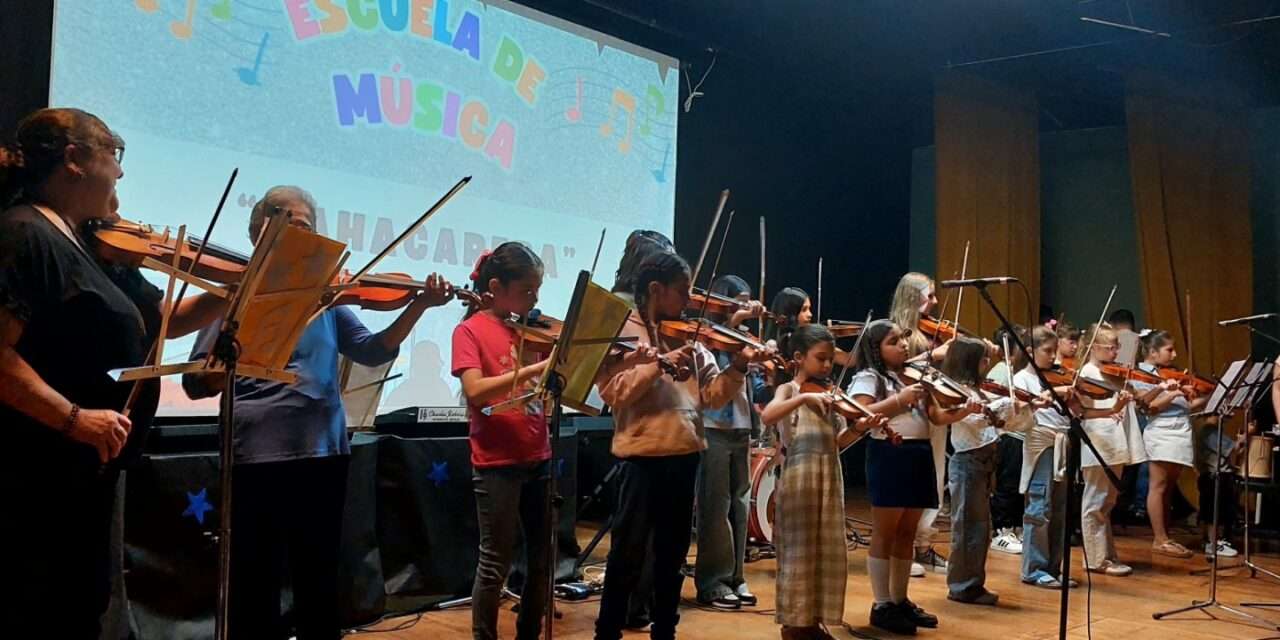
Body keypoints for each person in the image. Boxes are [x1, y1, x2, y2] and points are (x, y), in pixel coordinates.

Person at [183, 186, 453, 639]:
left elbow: (372, 350)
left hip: (324, 451)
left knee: (320, 575)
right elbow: (195, 382)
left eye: (305, 224)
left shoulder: (326, 300)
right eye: (284, 220)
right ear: (258, 232)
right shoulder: (234, 291)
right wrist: (230, 361)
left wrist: (419, 306)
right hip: (256, 456)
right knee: (255, 579)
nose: (297, 230)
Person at [0, 107, 222, 637]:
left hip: (84, 473)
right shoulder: (24, 235)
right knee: (42, 607)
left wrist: (235, 285)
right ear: (74, 160)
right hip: (37, 473)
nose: (119, 173)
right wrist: (75, 418)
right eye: (112, 153)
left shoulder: (85, 244)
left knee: (80, 605)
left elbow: (161, 321)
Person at [592, 251, 771, 640]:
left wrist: (738, 367)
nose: (690, 300)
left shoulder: (691, 337)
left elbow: (712, 396)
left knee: (672, 556)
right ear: (656, 290)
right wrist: (659, 363)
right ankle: (606, 632)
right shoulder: (624, 330)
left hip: (685, 454)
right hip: (640, 458)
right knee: (627, 553)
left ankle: (665, 630)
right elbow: (614, 393)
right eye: (683, 291)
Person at [848, 320, 981, 634]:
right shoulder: (869, 377)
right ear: (876, 349)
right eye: (894, 341)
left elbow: (935, 416)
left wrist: (964, 410)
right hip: (889, 454)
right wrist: (900, 399)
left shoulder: (914, 377)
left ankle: (899, 599)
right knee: (885, 532)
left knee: (908, 532)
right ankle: (881, 604)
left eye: (904, 340)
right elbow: (860, 414)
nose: (903, 346)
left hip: (918, 453)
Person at [452, 241, 554, 640]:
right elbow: (477, 392)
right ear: (495, 286)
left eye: (536, 290)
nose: (535, 299)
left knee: (543, 560)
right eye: (527, 290)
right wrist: (535, 370)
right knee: (495, 563)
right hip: (497, 462)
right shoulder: (469, 330)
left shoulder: (527, 329)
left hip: (538, 452)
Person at [762, 324, 881, 639]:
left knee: (825, 550)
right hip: (800, 476)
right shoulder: (791, 390)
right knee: (799, 551)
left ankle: (813, 621)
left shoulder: (830, 395)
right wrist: (802, 401)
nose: (828, 366)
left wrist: (860, 428)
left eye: (831, 360)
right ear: (799, 358)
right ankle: (794, 625)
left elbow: (838, 442)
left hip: (829, 474)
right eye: (821, 359)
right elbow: (768, 415)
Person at [695, 274, 770, 610]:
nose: (745, 306)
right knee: (716, 507)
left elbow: (753, 386)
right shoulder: (707, 337)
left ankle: (736, 576)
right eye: (737, 300)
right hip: (711, 428)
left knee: (740, 504)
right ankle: (713, 581)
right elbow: (715, 375)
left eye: (747, 300)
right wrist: (736, 321)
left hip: (741, 429)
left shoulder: (742, 338)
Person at [942, 337, 1036, 605]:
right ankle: (961, 585)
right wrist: (1006, 405)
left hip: (985, 462)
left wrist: (1025, 407)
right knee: (966, 527)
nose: (988, 363)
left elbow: (1003, 424)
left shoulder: (982, 390)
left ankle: (973, 583)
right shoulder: (958, 391)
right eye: (984, 359)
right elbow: (974, 420)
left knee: (981, 529)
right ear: (970, 361)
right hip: (967, 462)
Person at [1074, 323, 1153, 576]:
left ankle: (1106, 554)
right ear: (1094, 347)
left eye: (1117, 347)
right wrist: (1112, 408)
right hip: (1099, 440)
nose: (1115, 352)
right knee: (1095, 501)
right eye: (1110, 347)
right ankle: (1095, 559)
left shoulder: (1113, 373)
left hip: (1114, 442)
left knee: (1107, 501)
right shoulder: (1088, 373)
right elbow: (1082, 411)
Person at [888, 272, 949, 576]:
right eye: (931, 296)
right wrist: (932, 354)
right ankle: (904, 548)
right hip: (907, 415)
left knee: (934, 480)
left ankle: (923, 545)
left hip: (934, 410)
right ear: (913, 298)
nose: (935, 302)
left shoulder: (935, 331)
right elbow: (895, 368)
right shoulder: (897, 333)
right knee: (909, 482)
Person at [1013, 326, 1077, 589]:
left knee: (1061, 509)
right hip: (1041, 442)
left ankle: (1053, 566)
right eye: (1047, 351)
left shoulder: (1057, 376)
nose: (1054, 357)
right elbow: (1020, 415)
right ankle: (1034, 568)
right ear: (1030, 352)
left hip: (1063, 441)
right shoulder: (1021, 379)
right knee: (1040, 506)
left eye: (1054, 350)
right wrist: (1051, 394)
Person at [1135, 330, 1208, 558]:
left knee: (1169, 487)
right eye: (1169, 350)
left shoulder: (1169, 375)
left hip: (1179, 430)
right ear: (1153, 352)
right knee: (1158, 485)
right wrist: (1170, 390)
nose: (1174, 354)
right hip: (1161, 432)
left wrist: (1210, 395)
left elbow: (1186, 406)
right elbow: (1150, 407)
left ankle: (1166, 535)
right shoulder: (1140, 375)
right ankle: (1159, 538)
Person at [986, 326, 1029, 555]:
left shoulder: (1015, 370)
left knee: (1017, 487)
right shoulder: (1002, 370)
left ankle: (1015, 527)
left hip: (1019, 435)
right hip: (1007, 437)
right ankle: (1002, 530)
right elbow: (993, 404)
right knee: (1008, 485)